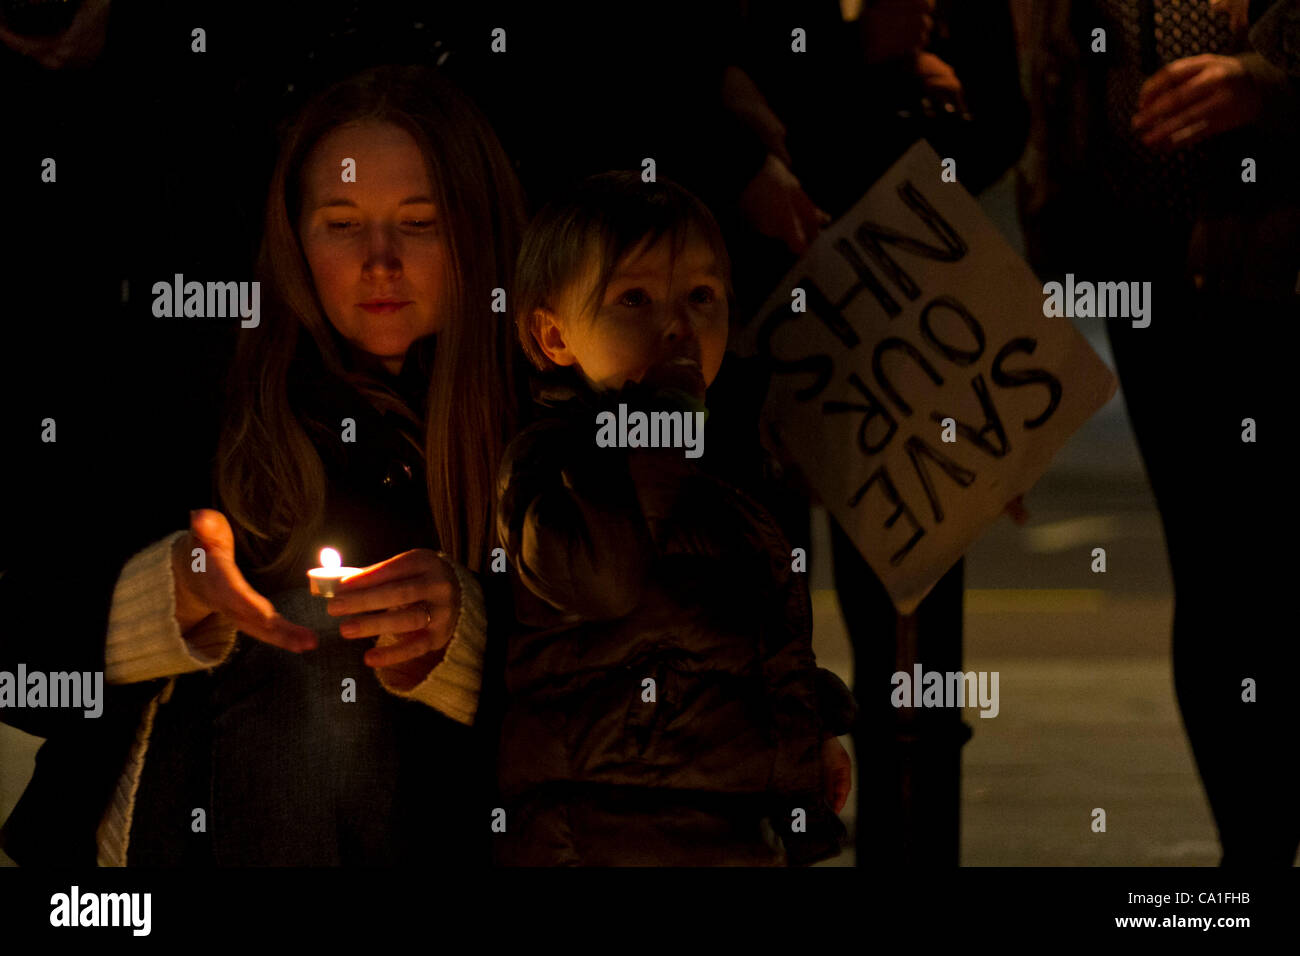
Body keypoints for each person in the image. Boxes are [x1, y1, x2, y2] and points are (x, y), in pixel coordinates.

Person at [0, 63, 527, 866]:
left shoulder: (546, 418)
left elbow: (625, 698)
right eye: (342, 225)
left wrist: (460, 642)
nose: (379, 261)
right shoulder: (196, 387)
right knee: (307, 654)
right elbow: (22, 656)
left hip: (432, 823)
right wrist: (166, 598)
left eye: (420, 224)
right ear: (294, 233)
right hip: (170, 824)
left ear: (477, 228)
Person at [493, 172, 856, 866]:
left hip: (722, 831)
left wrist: (805, 738)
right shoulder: (551, 457)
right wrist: (664, 424)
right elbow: (604, 580)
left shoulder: (722, 468)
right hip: (594, 833)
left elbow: (748, 647)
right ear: (553, 336)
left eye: (701, 296)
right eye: (634, 298)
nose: (676, 326)